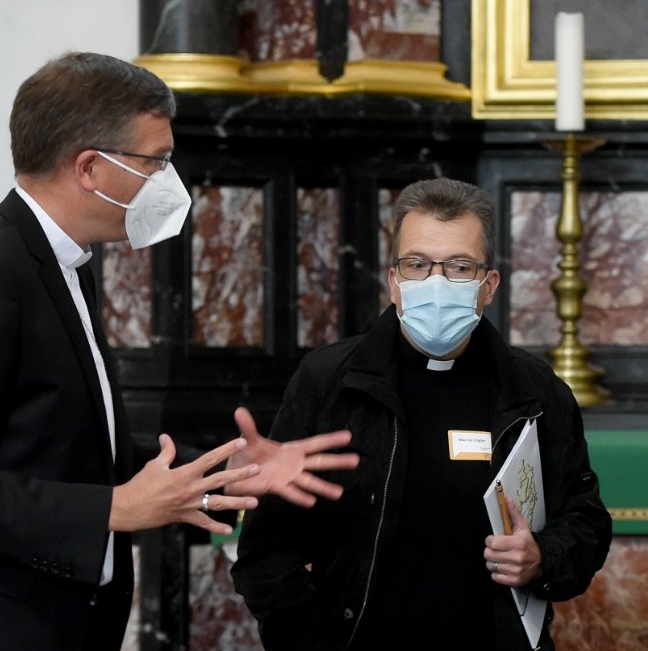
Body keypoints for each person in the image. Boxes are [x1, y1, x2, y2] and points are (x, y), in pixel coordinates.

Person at [0, 52, 357, 651]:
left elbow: (61, 445)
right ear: (89, 168)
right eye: (155, 161)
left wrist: (223, 471)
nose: (167, 181)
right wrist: (112, 509)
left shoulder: (64, 264)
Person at [231, 178, 612, 650]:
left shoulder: (535, 392)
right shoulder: (328, 381)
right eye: (417, 264)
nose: (436, 282)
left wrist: (542, 558)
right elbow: (266, 555)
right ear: (394, 281)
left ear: (487, 285)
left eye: (458, 267)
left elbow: (586, 523)